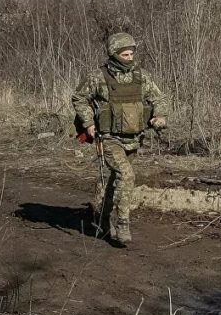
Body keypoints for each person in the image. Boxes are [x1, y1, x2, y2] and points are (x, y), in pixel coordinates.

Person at [71, 32, 167, 245]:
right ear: (114, 54)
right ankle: (122, 224)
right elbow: (79, 98)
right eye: (125, 54)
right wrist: (88, 124)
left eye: (132, 53)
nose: (130, 57)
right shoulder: (98, 77)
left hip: (134, 138)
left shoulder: (141, 76)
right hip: (109, 138)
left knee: (117, 181)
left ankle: (103, 219)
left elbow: (159, 97)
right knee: (127, 175)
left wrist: (160, 115)